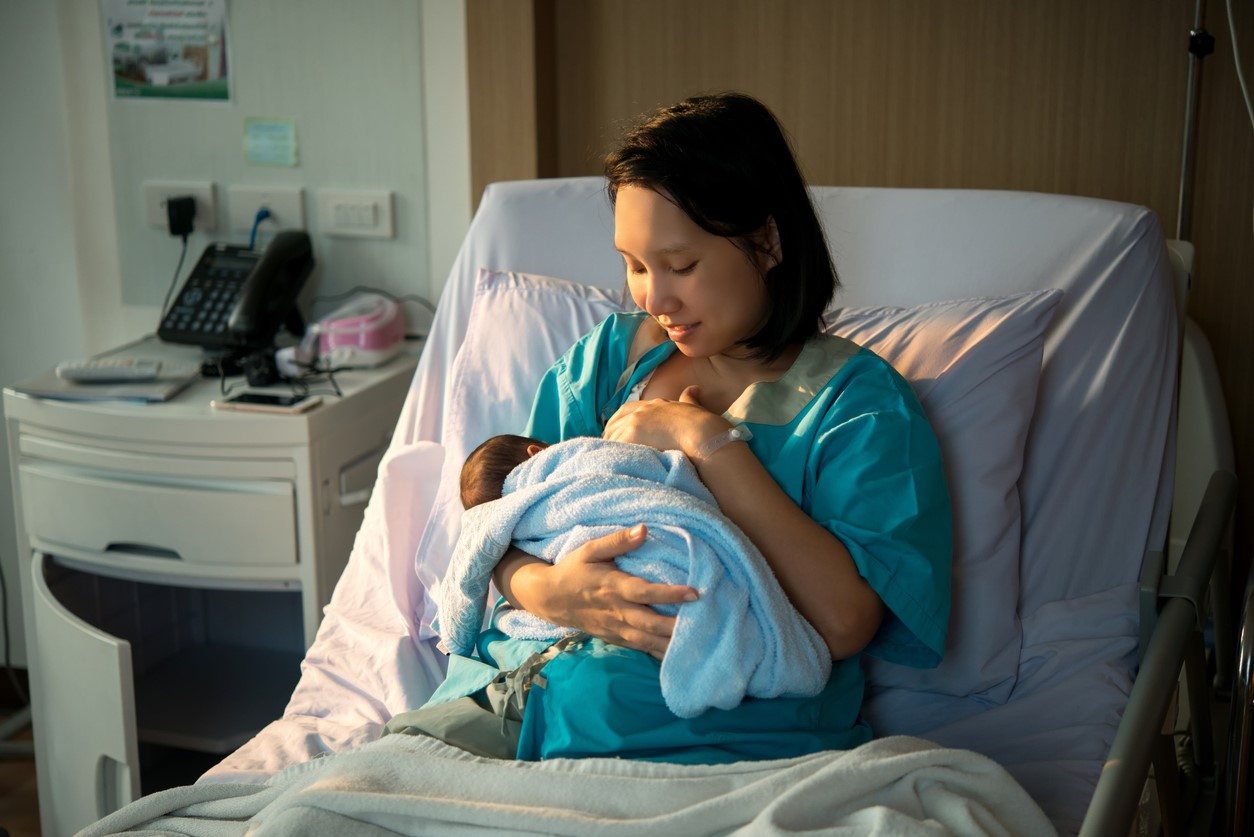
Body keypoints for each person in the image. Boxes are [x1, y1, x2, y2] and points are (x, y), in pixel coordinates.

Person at [425, 91, 953, 765]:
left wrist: (711, 446)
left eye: (680, 266)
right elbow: (503, 519)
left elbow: (845, 622)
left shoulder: (860, 408)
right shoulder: (605, 365)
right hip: (507, 701)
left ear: (766, 240)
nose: (654, 296)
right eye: (635, 264)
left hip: (703, 740)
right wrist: (545, 588)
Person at [438, 431, 831, 720]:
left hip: (629, 595)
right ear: (536, 450)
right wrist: (547, 590)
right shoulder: (591, 378)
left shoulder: (570, 462)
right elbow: (671, 475)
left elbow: (481, 549)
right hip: (662, 561)